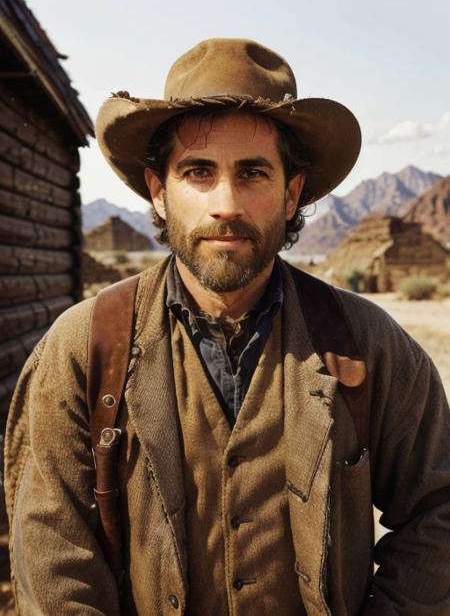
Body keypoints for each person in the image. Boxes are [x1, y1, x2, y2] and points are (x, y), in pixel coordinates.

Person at [4, 38, 450, 616]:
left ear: (292, 194)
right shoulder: (85, 348)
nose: (226, 203)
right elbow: (53, 558)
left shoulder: (368, 345)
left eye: (253, 173)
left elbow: (437, 513)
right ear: (159, 192)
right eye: (198, 172)